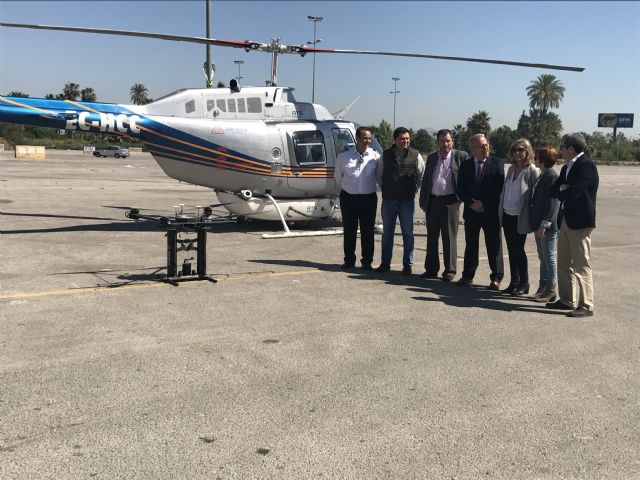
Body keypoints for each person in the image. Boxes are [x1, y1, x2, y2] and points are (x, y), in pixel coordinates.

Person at [547, 133, 599, 317]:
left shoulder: (587, 166)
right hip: (566, 220)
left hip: (580, 222)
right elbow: (555, 189)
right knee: (564, 262)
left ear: (571, 148)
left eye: (562, 147)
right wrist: (564, 189)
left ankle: (586, 305)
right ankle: (567, 300)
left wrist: (564, 190)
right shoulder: (567, 167)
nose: (560, 150)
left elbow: (575, 192)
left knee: (581, 264)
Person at [418, 129, 470, 281]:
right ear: (437, 142)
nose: (445, 144)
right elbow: (426, 180)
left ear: (452, 141)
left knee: (449, 238)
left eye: (448, 141)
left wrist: (460, 199)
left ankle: (450, 271)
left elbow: (466, 180)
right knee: (431, 237)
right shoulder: (432, 158)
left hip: (450, 203)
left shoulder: (460, 156)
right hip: (432, 201)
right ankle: (431, 269)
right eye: (442, 141)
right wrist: (423, 200)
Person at [456, 133, 505, 289]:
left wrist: (483, 202)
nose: (485, 148)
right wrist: (471, 203)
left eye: (486, 144)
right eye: (481, 146)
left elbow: (498, 187)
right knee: (471, 245)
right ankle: (468, 275)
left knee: (494, 246)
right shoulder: (465, 165)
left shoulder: (497, 163)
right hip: (472, 212)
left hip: (490, 212)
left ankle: (496, 277)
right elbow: (460, 188)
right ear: (472, 149)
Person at [375, 127, 425, 275]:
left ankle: (407, 264)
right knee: (387, 233)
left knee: (408, 233)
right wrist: (387, 187)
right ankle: (385, 263)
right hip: (389, 201)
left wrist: (414, 189)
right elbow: (379, 175)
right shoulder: (385, 155)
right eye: (402, 139)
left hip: (407, 201)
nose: (406, 141)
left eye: (408, 139)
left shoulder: (416, 155)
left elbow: (421, 175)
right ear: (395, 140)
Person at [335, 126, 380, 271]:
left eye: (369, 138)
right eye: (365, 138)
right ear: (357, 139)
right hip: (349, 199)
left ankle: (367, 262)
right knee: (349, 231)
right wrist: (349, 189)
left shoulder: (375, 156)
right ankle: (349, 261)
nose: (368, 141)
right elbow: (338, 177)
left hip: (368, 199)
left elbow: (379, 177)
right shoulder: (344, 157)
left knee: (368, 232)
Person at [498, 138, 540, 295]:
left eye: (521, 149)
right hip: (508, 214)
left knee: (519, 250)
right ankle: (514, 282)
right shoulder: (511, 169)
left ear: (527, 151)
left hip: (520, 216)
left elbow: (536, 196)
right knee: (511, 249)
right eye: (514, 150)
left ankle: (524, 283)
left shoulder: (532, 171)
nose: (517, 153)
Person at [528, 146, 560, 303]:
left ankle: (551, 289)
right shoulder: (544, 175)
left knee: (549, 257)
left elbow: (553, 204)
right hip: (539, 224)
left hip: (546, 226)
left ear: (543, 160)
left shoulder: (552, 176)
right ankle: (542, 287)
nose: (535, 159)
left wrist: (544, 225)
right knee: (543, 257)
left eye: (537, 157)